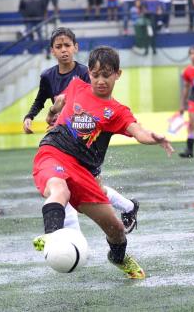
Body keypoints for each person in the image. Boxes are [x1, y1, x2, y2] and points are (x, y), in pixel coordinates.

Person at [32, 45, 174, 279]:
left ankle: (118, 257)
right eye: (95, 74)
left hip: (83, 172)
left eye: (106, 75)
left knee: (116, 230)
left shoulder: (117, 111)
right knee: (59, 189)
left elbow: (137, 131)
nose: (100, 80)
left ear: (118, 74)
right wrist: (53, 111)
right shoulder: (78, 86)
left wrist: (153, 137)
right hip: (53, 151)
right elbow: (61, 99)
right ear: (89, 72)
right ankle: (52, 237)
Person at [23, 27, 140, 234]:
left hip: (88, 143)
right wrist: (31, 116)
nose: (64, 50)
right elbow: (41, 99)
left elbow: (93, 103)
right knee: (64, 189)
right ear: (52, 51)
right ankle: (70, 241)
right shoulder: (48, 76)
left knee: (95, 190)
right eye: (58, 47)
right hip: (63, 141)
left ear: (75, 47)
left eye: (67, 45)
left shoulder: (87, 73)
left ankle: (129, 207)